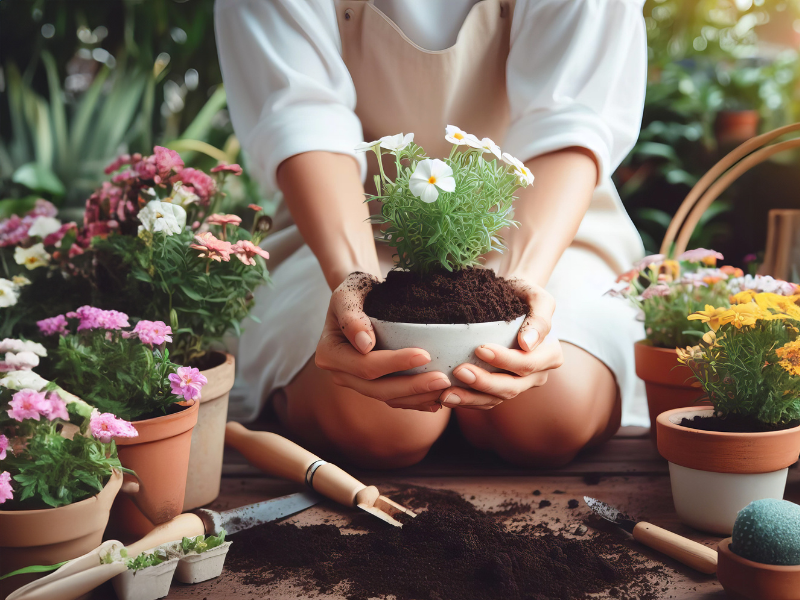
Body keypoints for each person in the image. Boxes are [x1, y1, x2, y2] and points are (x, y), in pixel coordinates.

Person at [215, 0, 648, 469]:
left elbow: (570, 117)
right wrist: (358, 291)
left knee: (551, 415)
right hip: (348, 223)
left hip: (544, 224)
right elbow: (302, 117)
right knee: (385, 421)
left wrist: (518, 299)